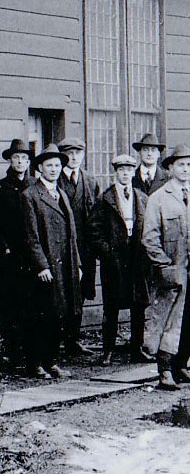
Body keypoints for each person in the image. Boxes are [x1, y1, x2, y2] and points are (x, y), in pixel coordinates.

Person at [142, 144, 190, 390]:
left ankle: (182, 366)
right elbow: (149, 239)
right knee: (168, 321)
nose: (185, 169)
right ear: (170, 167)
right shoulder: (158, 199)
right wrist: (165, 267)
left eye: (189, 165)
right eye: (180, 164)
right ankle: (165, 371)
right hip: (170, 275)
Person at [21, 144, 82, 379]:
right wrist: (41, 265)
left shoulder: (62, 193)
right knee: (41, 315)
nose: (54, 169)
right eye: (49, 165)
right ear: (39, 168)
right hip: (45, 267)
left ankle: (52, 361)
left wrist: (75, 264)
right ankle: (35, 363)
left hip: (64, 265)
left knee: (60, 313)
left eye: (57, 165)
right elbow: (30, 236)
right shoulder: (31, 195)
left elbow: (71, 233)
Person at [88, 155, 153, 365]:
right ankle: (107, 351)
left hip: (136, 260)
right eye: (121, 169)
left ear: (134, 172)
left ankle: (136, 349)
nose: (125, 173)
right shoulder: (105, 198)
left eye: (129, 169)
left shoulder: (142, 198)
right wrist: (108, 252)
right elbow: (94, 230)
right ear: (116, 172)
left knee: (138, 306)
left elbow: (149, 227)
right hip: (114, 261)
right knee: (112, 307)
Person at [56, 137, 100, 356]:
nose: (74, 158)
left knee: (81, 293)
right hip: (62, 247)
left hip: (85, 248)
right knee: (61, 291)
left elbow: (97, 215)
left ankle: (73, 339)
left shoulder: (90, 181)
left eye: (78, 153)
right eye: (70, 154)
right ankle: (58, 340)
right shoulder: (55, 179)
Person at [0, 139, 34, 366]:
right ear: (10, 161)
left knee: (30, 301)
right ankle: (11, 349)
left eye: (23, 158)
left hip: (31, 252)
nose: (20, 161)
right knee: (10, 301)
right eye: (16, 158)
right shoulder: (2, 188)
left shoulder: (34, 186)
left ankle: (26, 347)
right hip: (9, 254)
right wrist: (4, 247)